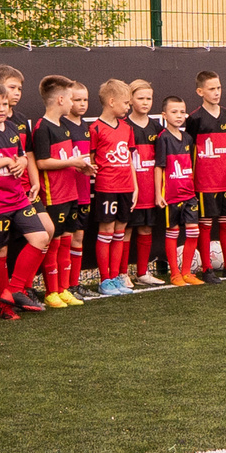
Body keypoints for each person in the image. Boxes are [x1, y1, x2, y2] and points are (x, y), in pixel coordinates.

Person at [0, 72, 51, 318]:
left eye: (5, 104)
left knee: (40, 237)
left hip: (18, 197)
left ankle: (16, 288)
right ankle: (4, 306)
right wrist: (5, 160)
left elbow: (21, 156)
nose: (2, 109)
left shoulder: (13, 127)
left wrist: (18, 162)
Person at [27, 76, 93, 305]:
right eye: (72, 99)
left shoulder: (64, 126)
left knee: (66, 240)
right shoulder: (42, 127)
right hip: (53, 195)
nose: (74, 104)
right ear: (61, 100)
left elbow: (66, 159)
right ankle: (51, 291)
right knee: (53, 244)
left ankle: (64, 288)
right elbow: (42, 162)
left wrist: (82, 167)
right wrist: (72, 162)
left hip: (71, 193)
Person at [186, 70, 226, 282]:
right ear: (200, 91)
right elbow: (188, 150)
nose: (217, 92)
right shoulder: (194, 118)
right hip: (204, 181)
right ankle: (207, 269)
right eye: (211, 89)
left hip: (225, 180)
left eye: (218, 88)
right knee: (205, 224)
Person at [89, 77, 142, 294]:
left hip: (126, 187)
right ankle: (105, 279)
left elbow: (129, 159)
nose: (129, 107)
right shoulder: (95, 128)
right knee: (107, 230)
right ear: (111, 101)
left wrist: (135, 186)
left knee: (120, 231)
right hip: (106, 187)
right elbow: (91, 160)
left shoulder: (127, 128)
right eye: (126, 103)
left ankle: (117, 276)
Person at [154, 95, 202, 285]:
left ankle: (187, 272)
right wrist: (159, 193)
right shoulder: (163, 138)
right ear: (164, 115)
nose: (179, 116)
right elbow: (159, 166)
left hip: (189, 195)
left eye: (182, 112)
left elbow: (191, 165)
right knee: (172, 232)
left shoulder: (188, 138)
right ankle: (174, 273)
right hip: (171, 196)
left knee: (193, 232)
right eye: (174, 112)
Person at [127, 79, 166, 287]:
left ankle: (142, 273)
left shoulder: (157, 127)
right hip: (130, 189)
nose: (145, 102)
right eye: (140, 98)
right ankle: (121, 274)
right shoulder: (124, 126)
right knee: (125, 230)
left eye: (148, 98)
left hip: (151, 188)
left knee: (146, 229)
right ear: (130, 99)